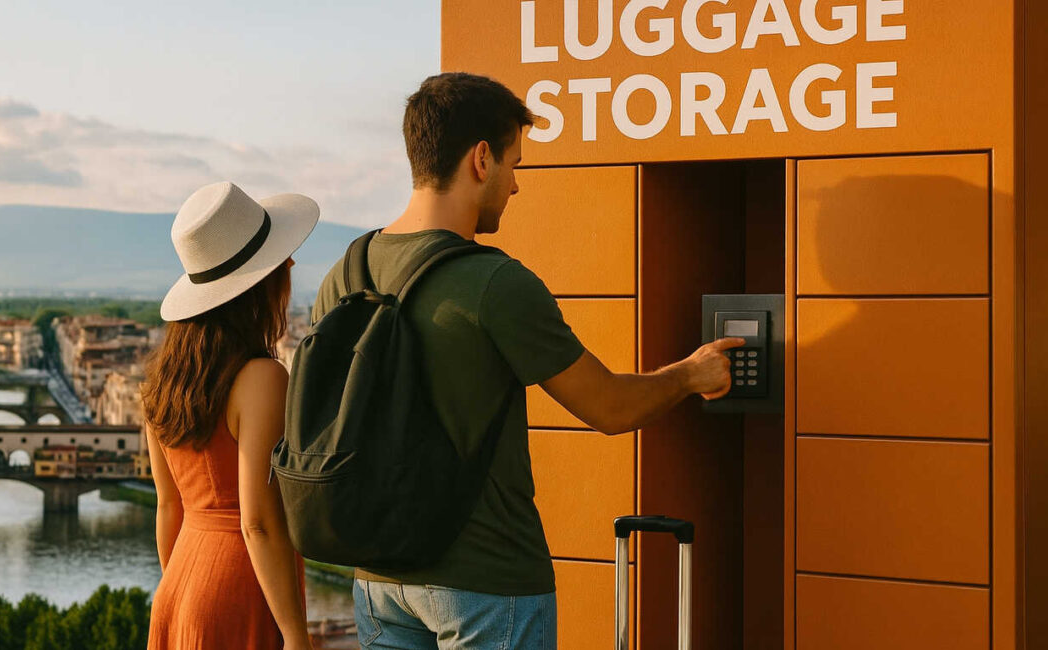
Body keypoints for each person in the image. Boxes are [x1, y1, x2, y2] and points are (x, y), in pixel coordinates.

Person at [311, 73, 741, 649]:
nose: (515, 185)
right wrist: (689, 374)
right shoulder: (495, 282)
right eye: (514, 163)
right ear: (481, 159)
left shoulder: (346, 271)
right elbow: (610, 407)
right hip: (488, 584)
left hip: (379, 580)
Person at [144, 181, 319, 650]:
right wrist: (296, 636)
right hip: (240, 585)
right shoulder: (262, 378)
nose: (291, 265)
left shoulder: (163, 382)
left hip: (177, 585)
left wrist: (184, 586)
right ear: (262, 282)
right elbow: (257, 522)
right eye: (282, 260)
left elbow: (168, 505)